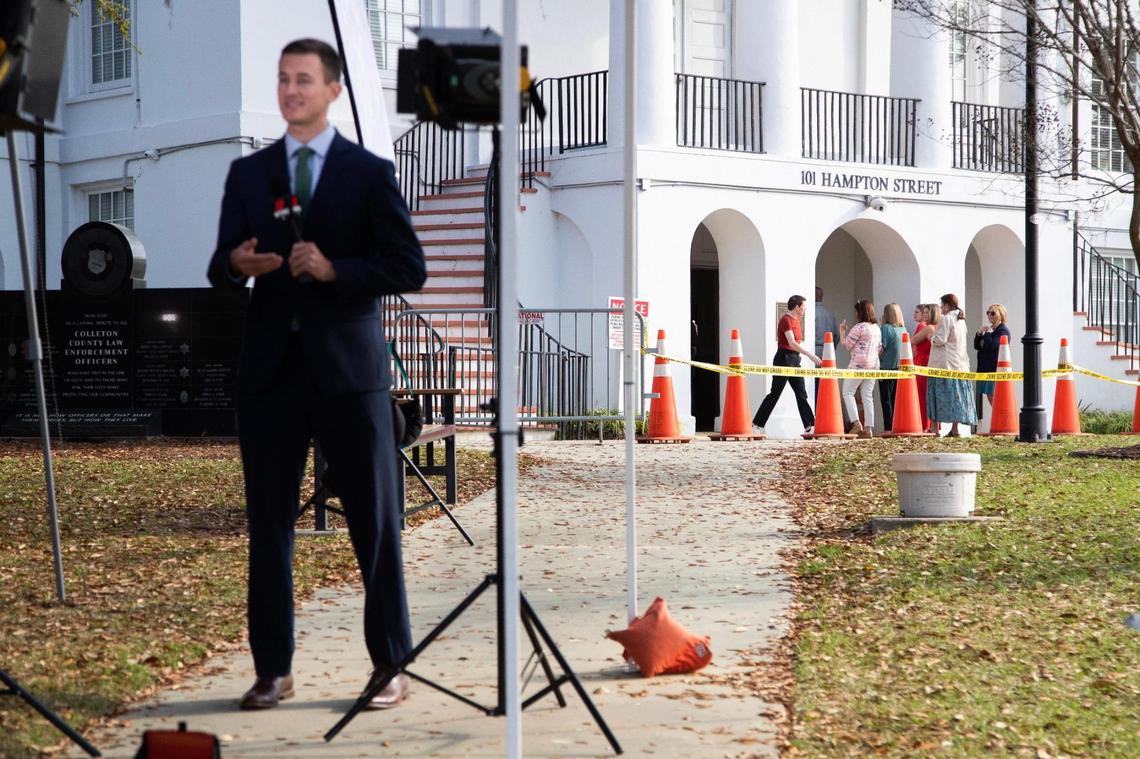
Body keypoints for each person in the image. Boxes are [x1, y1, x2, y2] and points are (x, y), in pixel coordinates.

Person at [207, 38, 426, 711]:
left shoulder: (369, 172)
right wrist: (238, 264)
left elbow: (407, 267)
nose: (291, 90)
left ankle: (390, 663)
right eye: (283, 80)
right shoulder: (249, 174)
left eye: (303, 80)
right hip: (270, 374)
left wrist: (337, 272)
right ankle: (273, 668)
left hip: (349, 373)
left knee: (376, 522)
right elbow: (218, 268)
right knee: (269, 526)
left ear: (332, 90)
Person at [752, 295, 822, 435]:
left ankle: (810, 425)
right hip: (784, 359)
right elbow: (792, 343)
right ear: (796, 306)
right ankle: (756, 424)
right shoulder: (786, 320)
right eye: (803, 307)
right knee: (775, 393)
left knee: (801, 393)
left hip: (795, 360)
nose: (804, 309)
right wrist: (810, 355)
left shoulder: (797, 320)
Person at [927, 293, 977, 437]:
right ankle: (954, 428)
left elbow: (941, 340)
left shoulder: (947, 319)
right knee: (956, 396)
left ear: (947, 305)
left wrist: (931, 338)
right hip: (960, 363)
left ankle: (934, 427)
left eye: (942, 305)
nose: (941, 308)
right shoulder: (961, 320)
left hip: (944, 364)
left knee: (937, 395)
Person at [839, 299, 882, 438]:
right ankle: (869, 428)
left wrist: (842, 331)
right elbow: (880, 347)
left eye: (857, 311)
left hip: (858, 364)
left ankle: (856, 423)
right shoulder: (876, 328)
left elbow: (846, 345)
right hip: (873, 364)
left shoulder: (859, 327)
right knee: (867, 396)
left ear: (860, 312)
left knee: (847, 392)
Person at [974, 302, 1012, 409]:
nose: (989, 315)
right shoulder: (990, 329)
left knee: (995, 395)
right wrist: (978, 334)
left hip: (994, 369)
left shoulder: (1003, 330)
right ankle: (997, 419)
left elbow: (992, 345)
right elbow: (978, 346)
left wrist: (988, 334)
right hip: (985, 368)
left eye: (993, 313)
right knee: (990, 395)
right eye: (988, 312)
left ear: (1000, 315)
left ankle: (1000, 419)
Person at [878, 303, 906, 432]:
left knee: (886, 399)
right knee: (895, 398)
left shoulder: (886, 328)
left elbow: (881, 348)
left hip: (886, 367)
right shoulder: (903, 329)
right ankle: (897, 425)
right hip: (899, 368)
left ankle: (888, 427)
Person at [911, 303, 938, 433]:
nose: (923, 315)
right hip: (930, 362)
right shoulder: (938, 327)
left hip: (922, 362)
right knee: (929, 394)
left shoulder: (925, 327)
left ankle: (924, 424)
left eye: (926, 313)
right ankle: (931, 424)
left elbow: (913, 340)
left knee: (922, 394)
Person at [813, 287, 839, 402]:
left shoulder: (811, 312)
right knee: (826, 383)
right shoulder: (830, 313)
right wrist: (831, 349)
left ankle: (815, 409)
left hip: (815, 350)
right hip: (828, 351)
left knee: (813, 382)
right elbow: (837, 335)